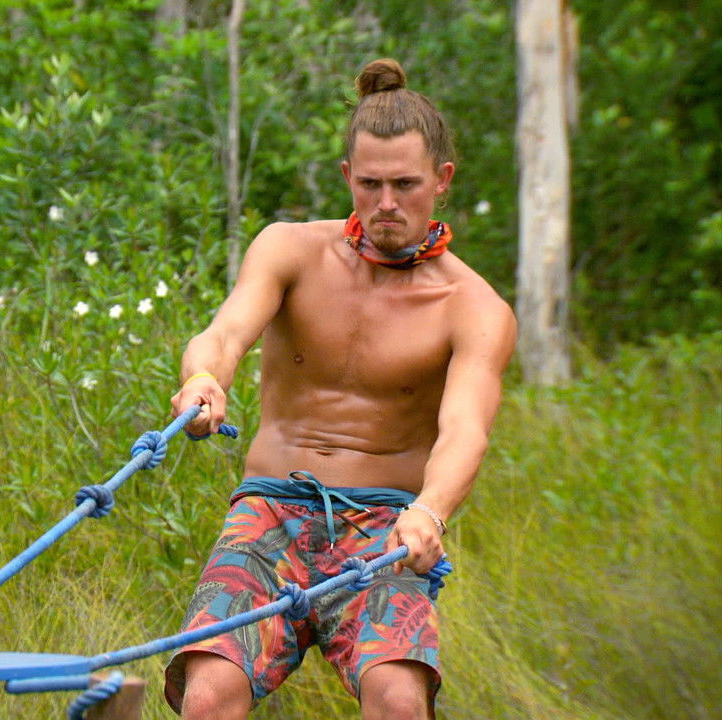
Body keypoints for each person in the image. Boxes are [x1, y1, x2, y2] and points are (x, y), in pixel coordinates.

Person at [163, 58, 517, 720]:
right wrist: (204, 380)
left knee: (400, 702)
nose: (387, 204)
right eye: (370, 184)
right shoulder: (289, 250)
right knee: (207, 696)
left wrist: (431, 511)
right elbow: (224, 334)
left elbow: (465, 431)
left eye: (406, 184)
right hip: (270, 512)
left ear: (442, 180)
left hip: (387, 527)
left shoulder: (473, 307)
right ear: (347, 176)